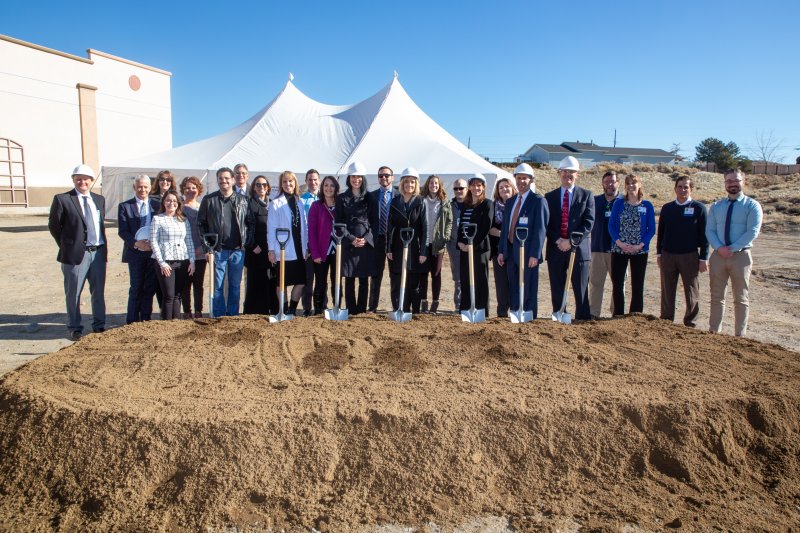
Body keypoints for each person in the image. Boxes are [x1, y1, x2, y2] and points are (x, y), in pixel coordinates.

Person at [48, 164, 107, 340]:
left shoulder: (99, 199)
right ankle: (75, 327)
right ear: (73, 180)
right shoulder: (62, 199)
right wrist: (67, 245)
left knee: (98, 292)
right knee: (73, 293)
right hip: (75, 255)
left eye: (86, 179)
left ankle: (99, 325)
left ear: (91, 181)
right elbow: (54, 226)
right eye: (78, 179)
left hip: (98, 253)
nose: (82, 182)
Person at [706, 169, 763, 337]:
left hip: (741, 256)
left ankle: (740, 336)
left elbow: (752, 231)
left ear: (743, 182)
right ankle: (714, 332)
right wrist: (719, 247)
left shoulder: (752, 205)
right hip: (718, 256)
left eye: (736, 180)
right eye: (728, 181)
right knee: (716, 296)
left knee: (741, 298)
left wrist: (733, 248)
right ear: (725, 183)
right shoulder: (716, 206)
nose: (732, 183)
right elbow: (710, 230)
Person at [545, 156, 595, 320]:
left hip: (579, 250)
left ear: (577, 174)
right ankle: (560, 316)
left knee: (581, 288)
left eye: (572, 172)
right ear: (559, 173)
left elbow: (588, 223)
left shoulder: (586, 195)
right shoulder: (549, 197)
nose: (568, 175)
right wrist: (558, 240)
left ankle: (582, 318)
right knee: (557, 287)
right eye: (565, 171)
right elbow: (547, 223)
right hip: (556, 249)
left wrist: (571, 242)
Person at [497, 163, 549, 318]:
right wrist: (501, 250)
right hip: (511, 250)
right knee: (513, 284)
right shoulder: (511, 201)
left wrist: (535, 254)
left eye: (524, 178)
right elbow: (505, 229)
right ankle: (515, 313)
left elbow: (541, 230)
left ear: (531, 180)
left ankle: (529, 316)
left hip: (528, 253)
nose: (521, 181)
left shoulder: (538, 201)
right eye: (518, 178)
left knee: (528, 286)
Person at [197, 167, 250, 317]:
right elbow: (201, 224)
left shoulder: (243, 200)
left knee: (234, 286)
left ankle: (232, 315)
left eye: (227, 178)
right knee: (217, 285)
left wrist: (246, 242)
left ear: (233, 180)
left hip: (237, 251)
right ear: (217, 180)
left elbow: (249, 223)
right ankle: (218, 315)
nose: (224, 181)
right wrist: (207, 248)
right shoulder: (209, 200)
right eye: (221, 178)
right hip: (217, 250)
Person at [657, 176, 709, 327]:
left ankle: (690, 321)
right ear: (675, 189)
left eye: (686, 187)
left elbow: (705, 235)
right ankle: (666, 320)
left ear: (691, 189)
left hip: (690, 256)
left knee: (691, 290)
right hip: (668, 255)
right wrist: (659, 253)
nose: (682, 190)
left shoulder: (699, 208)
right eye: (680, 186)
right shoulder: (667, 208)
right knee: (667, 289)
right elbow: (661, 233)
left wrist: (704, 257)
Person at [608, 174, 656, 315]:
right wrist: (619, 243)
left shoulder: (647, 205)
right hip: (619, 250)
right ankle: (618, 314)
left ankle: (635, 315)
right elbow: (611, 226)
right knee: (617, 284)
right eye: (628, 183)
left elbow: (651, 229)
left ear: (639, 184)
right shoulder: (619, 203)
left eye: (633, 183)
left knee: (637, 285)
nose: (631, 186)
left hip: (639, 251)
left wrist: (640, 245)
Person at [335, 161, 376, 315]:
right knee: (350, 278)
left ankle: (361, 310)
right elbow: (338, 222)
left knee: (364, 279)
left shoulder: (370, 198)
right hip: (349, 242)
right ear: (349, 178)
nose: (356, 180)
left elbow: (375, 221)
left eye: (359, 177)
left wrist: (366, 238)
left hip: (366, 243)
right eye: (353, 177)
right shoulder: (342, 198)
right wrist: (351, 238)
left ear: (363, 179)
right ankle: (351, 310)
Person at [118, 174, 159, 324]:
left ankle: (146, 319)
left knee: (149, 287)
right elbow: (122, 231)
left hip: (153, 253)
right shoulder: (125, 206)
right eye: (139, 186)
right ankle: (132, 320)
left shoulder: (157, 205)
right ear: (134, 187)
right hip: (135, 253)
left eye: (145, 186)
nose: (142, 189)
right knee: (136, 287)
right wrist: (136, 243)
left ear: (150, 188)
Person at [386, 168, 428, 313]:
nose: (409, 185)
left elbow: (425, 229)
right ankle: (400, 308)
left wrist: (423, 251)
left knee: (413, 281)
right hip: (398, 245)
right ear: (402, 183)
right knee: (397, 279)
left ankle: (414, 311)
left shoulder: (421, 201)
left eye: (412, 182)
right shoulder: (395, 201)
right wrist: (389, 248)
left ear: (416, 184)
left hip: (414, 246)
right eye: (406, 182)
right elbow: (389, 227)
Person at [267, 171, 308, 316]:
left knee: (301, 281)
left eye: (290, 181)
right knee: (281, 282)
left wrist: (306, 246)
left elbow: (304, 226)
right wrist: (271, 250)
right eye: (284, 182)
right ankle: (283, 310)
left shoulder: (300, 201)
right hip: (282, 247)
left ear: (295, 183)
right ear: (281, 184)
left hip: (298, 247)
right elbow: (271, 227)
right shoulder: (275, 203)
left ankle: (292, 309)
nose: (288, 184)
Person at [150, 191, 195, 320]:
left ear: (178, 203)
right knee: (168, 295)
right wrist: (162, 263)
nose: (171, 203)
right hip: (166, 262)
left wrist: (192, 261)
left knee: (177, 295)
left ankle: (176, 323)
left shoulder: (183, 220)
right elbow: (154, 241)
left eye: (174, 201)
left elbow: (189, 241)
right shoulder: (158, 219)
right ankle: (166, 324)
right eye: (168, 200)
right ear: (164, 202)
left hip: (182, 261)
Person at [457, 174, 494, 314]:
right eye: (473, 185)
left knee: (480, 280)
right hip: (464, 248)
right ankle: (465, 308)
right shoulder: (465, 205)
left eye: (479, 185)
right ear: (470, 187)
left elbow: (486, 227)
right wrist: (461, 243)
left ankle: (481, 310)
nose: (476, 188)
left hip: (480, 249)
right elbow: (461, 225)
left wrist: (472, 244)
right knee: (465, 279)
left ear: (483, 187)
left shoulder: (488, 204)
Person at [418, 174, 452, 314]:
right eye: (431, 183)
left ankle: (435, 302)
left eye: (436, 183)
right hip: (424, 243)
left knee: (436, 274)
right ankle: (423, 301)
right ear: (428, 184)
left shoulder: (444, 201)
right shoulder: (421, 200)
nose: (434, 185)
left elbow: (449, 221)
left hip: (438, 244)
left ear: (440, 185)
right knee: (423, 274)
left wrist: (446, 236)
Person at [589, 170, 621, 319]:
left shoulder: (623, 202)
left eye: (612, 181)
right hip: (597, 249)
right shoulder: (595, 201)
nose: (609, 185)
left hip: (618, 252)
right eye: (607, 182)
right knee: (595, 284)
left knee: (619, 285)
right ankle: (594, 313)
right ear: (602, 184)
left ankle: (616, 312)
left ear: (618, 183)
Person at [244, 176, 278, 315]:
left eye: (264, 184)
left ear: (268, 187)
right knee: (256, 281)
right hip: (256, 250)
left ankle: (271, 309)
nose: (261, 187)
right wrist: (252, 245)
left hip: (271, 249)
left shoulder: (273, 203)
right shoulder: (248, 203)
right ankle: (255, 311)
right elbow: (244, 227)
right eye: (258, 185)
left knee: (270, 280)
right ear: (254, 187)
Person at [308, 175, 339, 314]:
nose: (329, 188)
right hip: (321, 250)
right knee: (320, 281)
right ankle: (319, 308)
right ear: (322, 187)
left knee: (336, 279)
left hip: (337, 249)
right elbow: (311, 232)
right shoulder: (316, 206)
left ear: (336, 188)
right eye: (326, 185)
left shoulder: (340, 205)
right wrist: (314, 253)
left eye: (332, 185)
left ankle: (337, 305)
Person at [488, 176, 518, 317]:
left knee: (515, 280)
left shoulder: (519, 204)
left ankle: (515, 309)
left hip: (516, 249)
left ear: (512, 188)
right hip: (498, 250)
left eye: (507, 186)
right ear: (497, 192)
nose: (504, 189)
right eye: (501, 188)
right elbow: (489, 228)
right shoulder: (493, 206)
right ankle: (502, 312)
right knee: (501, 283)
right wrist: (504, 234)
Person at [368, 165, 395, 313]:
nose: (383, 178)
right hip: (377, 239)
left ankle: (396, 306)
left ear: (392, 177)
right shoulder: (371, 196)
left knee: (394, 274)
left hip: (394, 240)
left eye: (386, 175)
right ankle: (372, 306)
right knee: (375, 275)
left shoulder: (399, 195)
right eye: (380, 176)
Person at [179, 176, 207, 318]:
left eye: (193, 188)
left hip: (201, 252)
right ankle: (187, 311)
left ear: (198, 190)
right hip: (185, 252)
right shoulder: (179, 208)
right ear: (183, 190)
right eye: (188, 188)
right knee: (186, 284)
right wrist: (188, 250)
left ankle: (198, 310)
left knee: (198, 283)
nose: (191, 190)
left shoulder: (203, 207)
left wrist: (202, 248)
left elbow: (207, 229)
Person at [300, 169, 321, 316]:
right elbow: (303, 225)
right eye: (310, 180)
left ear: (319, 180)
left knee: (321, 278)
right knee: (308, 278)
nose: (312, 182)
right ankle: (307, 308)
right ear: (306, 181)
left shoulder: (326, 198)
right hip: (308, 245)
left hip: (323, 245)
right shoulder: (302, 200)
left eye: (315, 179)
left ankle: (321, 306)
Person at [447, 178, 468, 312]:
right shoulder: (449, 206)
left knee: (471, 274)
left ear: (467, 189)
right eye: (456, 189)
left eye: (461, 188)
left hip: (470, 245)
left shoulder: (472, 205)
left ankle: (470, 302)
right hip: (454, 246)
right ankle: (459, 304)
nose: (459, 191)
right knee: (458, 277)